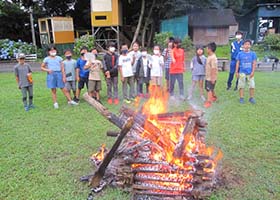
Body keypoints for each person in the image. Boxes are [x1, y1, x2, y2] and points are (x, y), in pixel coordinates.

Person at [235, 39, 257, 104]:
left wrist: (253, 72)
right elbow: (237, 63)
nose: (247, 46)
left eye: (248, 44)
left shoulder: (253, 54)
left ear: (250, 46)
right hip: (242, 72)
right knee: (241, 85)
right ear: (243, 45)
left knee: (252, 85)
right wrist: (236, 72)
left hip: (250, 73)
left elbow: (254, 63)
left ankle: (251, 98)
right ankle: (241, 98)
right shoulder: (240, 53)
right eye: (246, 44)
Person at [204, 42, 218, 108]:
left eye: (207, 48)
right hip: (208, 77)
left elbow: (213, 68)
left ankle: (209, 102)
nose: (206, 49)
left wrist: (213, 78)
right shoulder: (209, 56)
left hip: (210, 77)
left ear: (210, 49)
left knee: (209, 89)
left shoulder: (213, 58)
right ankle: (214, 97)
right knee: (210, 88)